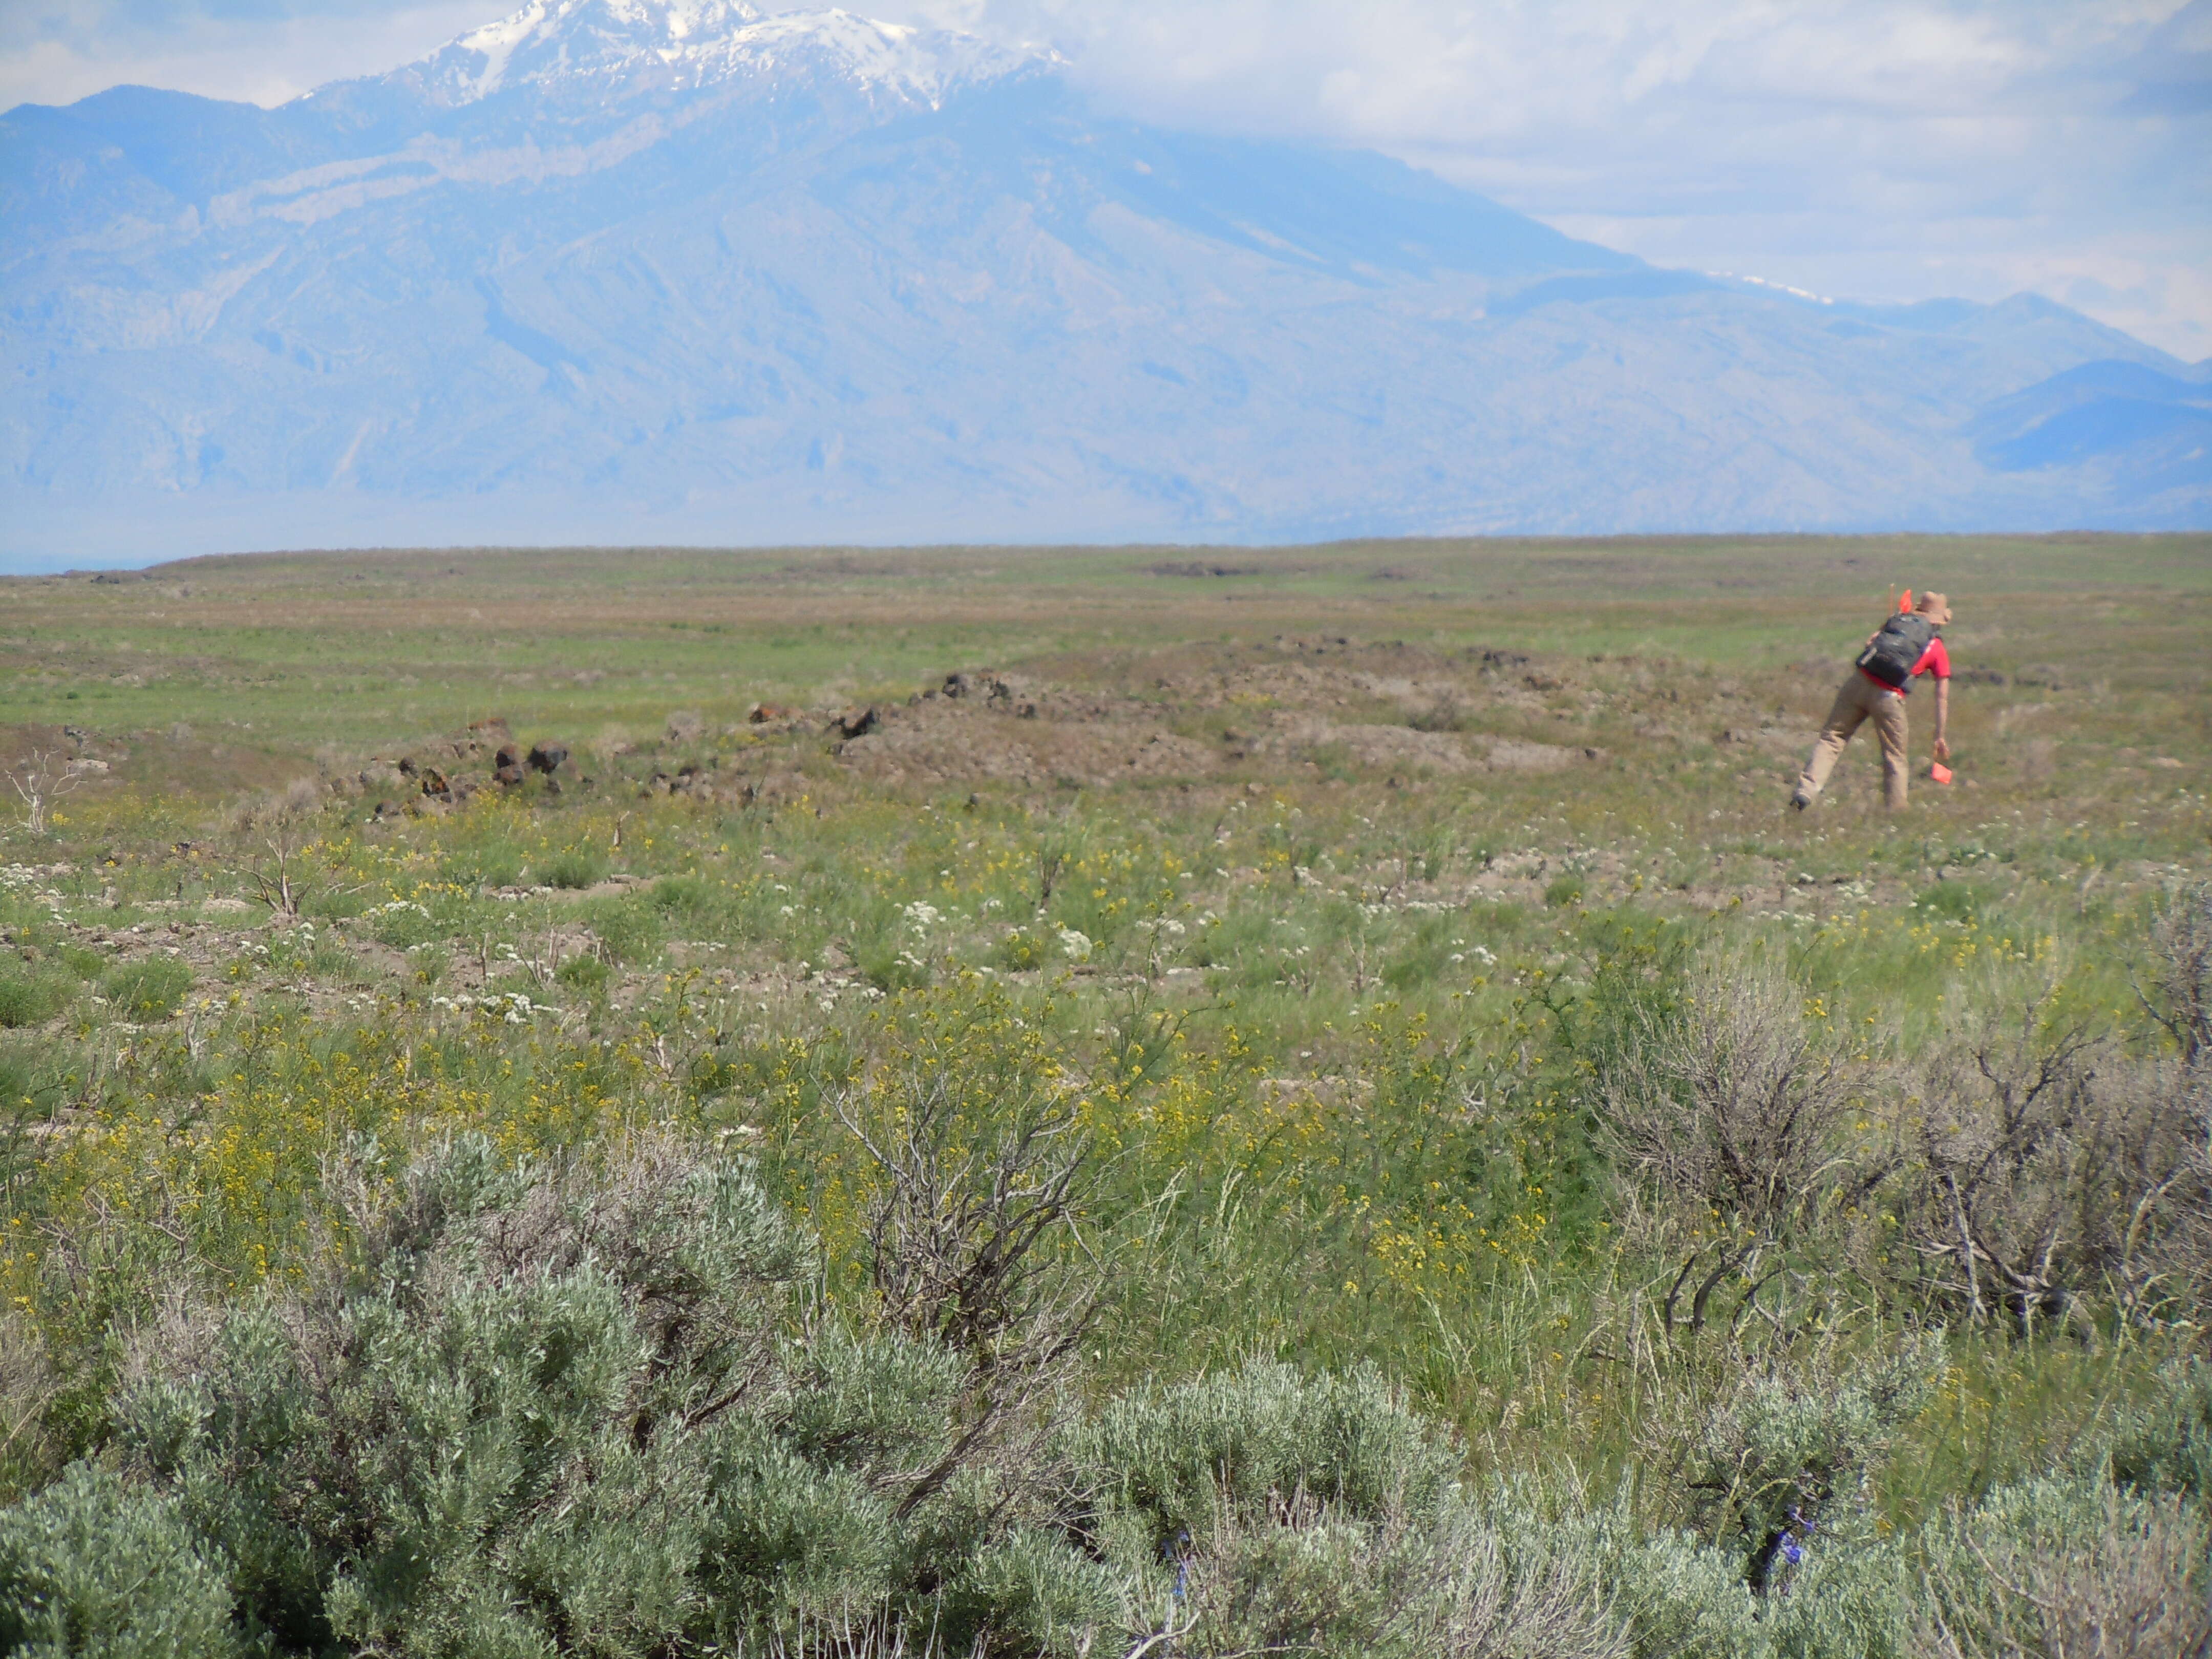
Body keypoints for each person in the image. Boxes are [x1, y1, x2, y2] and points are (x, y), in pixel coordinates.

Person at [1792, 590, 1951, 812]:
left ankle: (1806, 791)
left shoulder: (1897, 623)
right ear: (1941, 620)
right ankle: (1896, 812)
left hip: (1858, 684)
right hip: (1889, 697)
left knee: (1832, 739)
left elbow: (1871, 643)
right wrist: (1940, 735)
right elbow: (1941, 696)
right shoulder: (1937, 648)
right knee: (1895, 756)